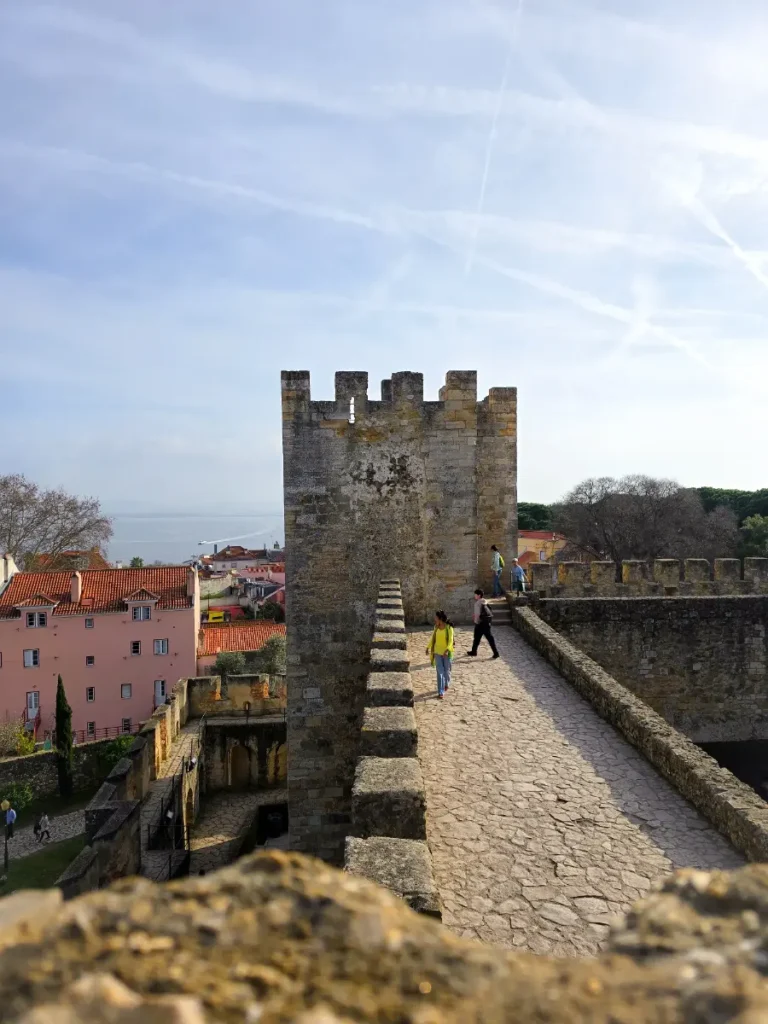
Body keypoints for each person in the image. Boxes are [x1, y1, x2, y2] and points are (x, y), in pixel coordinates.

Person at [426, 610, 454, 699]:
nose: (435, 619)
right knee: (440, 672)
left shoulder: (449, 628)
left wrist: (447, 650)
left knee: (447, 671)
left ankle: (446, 683)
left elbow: (450, 640)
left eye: (436, 618)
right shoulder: (436, 628)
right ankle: (440, 691)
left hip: (446, 653)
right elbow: (433, 639)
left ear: (440, 619)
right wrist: (428, 647)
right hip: (437, 652)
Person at [467, 589, 500, 659]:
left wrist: (476, 621)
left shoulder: (477, 603)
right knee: (487, 638)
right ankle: (474, 651)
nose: (474, 596)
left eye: (475, 594)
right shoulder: (485, 601)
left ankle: (474, 652)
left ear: (479, 595)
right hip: (486, 623)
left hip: (480, 623)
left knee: (477, 638)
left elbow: (478, 614)